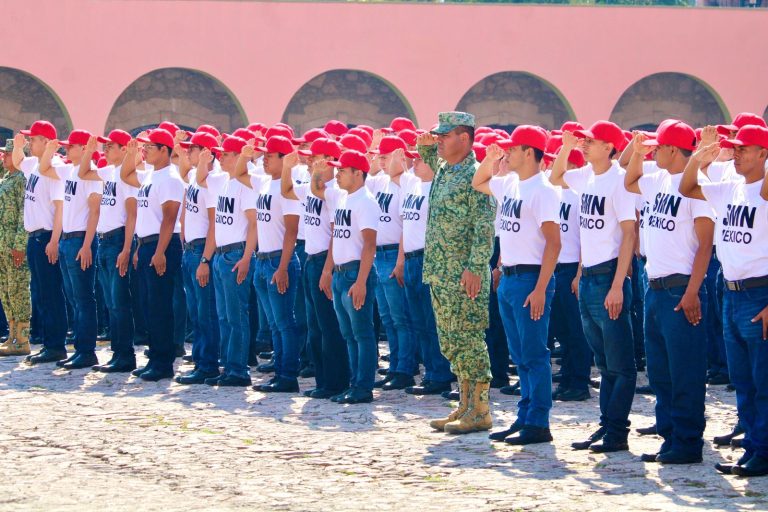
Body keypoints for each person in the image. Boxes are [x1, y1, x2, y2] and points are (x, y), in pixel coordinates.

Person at [680, 124, 768, 477]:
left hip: (759, 293)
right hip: (731, 294)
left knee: (763, 382)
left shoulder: (763, 188)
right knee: (743, 381)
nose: (736, 154)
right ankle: (753, 448)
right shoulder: (729, 186)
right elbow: (687, 187)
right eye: (735, 148)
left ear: (763, 153)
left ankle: (764, 451)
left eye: (744, 148)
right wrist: (700, 156)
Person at [624, 121, 715, 464]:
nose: (654, 152)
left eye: (658, 147)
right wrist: (636, 152)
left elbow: (705, 246)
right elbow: (629, 181)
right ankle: (670, 436)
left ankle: (688, 442)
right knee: (660, 371)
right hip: (655, 286)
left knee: (685, 371)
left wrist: (692, 292)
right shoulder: (658, 179)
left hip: (681, 288)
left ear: (674, 150)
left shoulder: (696, 187)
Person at [550, 121, 637, 453]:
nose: (585, 146)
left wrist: (618, 285)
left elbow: (629, 233)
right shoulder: (586, 176)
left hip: (609, 278)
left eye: (593, 142)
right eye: (585, 141)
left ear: (611, 148)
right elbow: (556, 177)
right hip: (588, 278)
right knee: (602, 362)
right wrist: (565, 146)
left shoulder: (620, 182)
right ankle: (606, 425)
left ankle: (617, 431)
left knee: (620, 365)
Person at [474, 126, 561, 445]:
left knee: (535, 353)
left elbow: (554, 243)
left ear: (530, 153)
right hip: (509, 276)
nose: (507, 152)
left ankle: (538, 421)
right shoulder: (510, 182)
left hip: (530, 278)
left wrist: (540, 288)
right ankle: (525, 416)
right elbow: (478, 181)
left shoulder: (544, 190)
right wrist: (489, 157)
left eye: (514, 148)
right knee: (520, 354)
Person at [417, 112, 496, 435]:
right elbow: (429, 158)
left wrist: (476, 268)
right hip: (439, 271)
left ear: (464, 138)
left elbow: (484, 225)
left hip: (464, 273)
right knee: (450, 340)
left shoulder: (477, 175)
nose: (439, 141)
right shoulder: (447, 169)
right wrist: (425, 146)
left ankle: (480, 409)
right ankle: (464, 404)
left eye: (445, 136)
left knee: (469, 338)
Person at [282, 137, 351, 398]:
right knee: (314, 325)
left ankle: (335, 381)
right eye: (309, 158)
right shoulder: (312, 187)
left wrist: (327, 270)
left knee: (329, 325)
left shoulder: (334, 190)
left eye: (315, 158)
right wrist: (288, 167)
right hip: (311, 258)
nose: (309, 161)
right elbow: (287, 190)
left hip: (325, 260)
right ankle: (323, 381)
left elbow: (336, 233)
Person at [310, 150, 379, 404]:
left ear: (357, 173)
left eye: (342, 171)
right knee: (348, 334)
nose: (336, 175)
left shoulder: (366, 202)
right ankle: (353, 383)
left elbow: (369, 245)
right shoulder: (342, 197)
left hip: (354, 273)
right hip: (339, 272)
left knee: (362, 333)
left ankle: (363, 386)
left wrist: (361, 282)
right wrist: (327, 270)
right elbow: (317, 189)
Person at [388, 148, 455, 395]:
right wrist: (401, 261)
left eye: (420, 158)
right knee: (419, 321)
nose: (414, 162)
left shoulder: (439, 188)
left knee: (432, 319)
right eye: (413, 158)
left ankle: (441, 373)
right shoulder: (411, 183)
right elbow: (407, 225)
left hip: (431, 258)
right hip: (412, 258)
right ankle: (431, 372)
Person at [239, 135, 303, 393]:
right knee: (275, 323)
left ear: (283, 159)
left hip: (279, 259)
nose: (265, 159)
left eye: (270, 155)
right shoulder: (264, 182)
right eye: (264, 155)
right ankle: (279, 372)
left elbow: (292, 231)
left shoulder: (289, 188)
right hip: (263, 259)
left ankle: (288, 375)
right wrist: (245, 155)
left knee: (285, 322)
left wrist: (283, 267)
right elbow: (239, 173)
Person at [121, 129, 184, 381]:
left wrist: (159, 252)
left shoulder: (169, 178)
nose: (145, 151)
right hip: (147, 244)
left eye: (150, 147)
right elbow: (145, 213)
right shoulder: (150, 175)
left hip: (163, 245)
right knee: (149, 305)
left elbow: (169, 218)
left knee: (160, 306)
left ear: (165, 151)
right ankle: (155, 357)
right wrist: (139, 248)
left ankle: (163, 363)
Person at [196, 136, 258, 386]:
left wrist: (246, 257)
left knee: (236, 315)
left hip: (236, 253)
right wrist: (203, 160)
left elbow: (253, 224)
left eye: (226, 154)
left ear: (239, 157)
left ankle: (238, 370)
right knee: (223, 316)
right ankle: (229, 365)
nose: (220, 158)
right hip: (222, 254)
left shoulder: (246, 183)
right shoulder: (222, 180)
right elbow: (200, 178)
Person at [38, 130, 103, 369]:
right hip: (66, 239)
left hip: (79, 240)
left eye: (72, 146)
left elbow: (95, 212)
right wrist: (49, 149)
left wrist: (87, 245)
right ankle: (79, 348)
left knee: (84, 298)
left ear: (85, 148)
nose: (66, 150)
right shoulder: (68, 170)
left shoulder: (91, 174)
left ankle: (87, 351)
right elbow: (44, 168)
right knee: (73, 298)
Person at [77, 130, 138, 372]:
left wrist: (126, 248)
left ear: (124, 149)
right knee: (111, 304)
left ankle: (125, 356)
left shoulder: (128, 175)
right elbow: (83, 173)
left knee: (120, 303)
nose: (106, 150)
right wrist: (90, 150)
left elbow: (132, 215)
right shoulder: (107, 172)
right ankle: (116, 354)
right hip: (103, 241)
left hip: (117, 240)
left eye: (111, 146)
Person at [12, 122, 68, 365]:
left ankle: (55, 345)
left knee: (51, 293)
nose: (30, 143)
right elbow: (17, 162)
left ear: (46, 142)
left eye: (33, 140)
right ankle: (48, 342)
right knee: (41, 294)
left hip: (46, 236)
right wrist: (18, 146)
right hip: (33, 236)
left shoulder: (53, 168)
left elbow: (60, 208)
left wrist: (55, 240)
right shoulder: (34, 164)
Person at [368, 135, 418, 390]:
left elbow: (404, 227)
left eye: (386, 157)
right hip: (378, 254)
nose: (382, 162)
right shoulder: (380, 183)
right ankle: (396, 365)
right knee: (388, 318)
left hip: (392, 255)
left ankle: (404, 368)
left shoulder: (405, 185)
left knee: (401, 317)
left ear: (399, 154)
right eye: (381, 157)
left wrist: (400, 262)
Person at [174, 131, 222, 383]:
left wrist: (205, 259)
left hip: (202, 250)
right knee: (196, 312)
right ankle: (201, 359)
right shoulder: (195, 176)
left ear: (205, 153)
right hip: (189, 249)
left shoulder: (211, 181)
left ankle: (208, 364)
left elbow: (215, 223)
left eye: (192, 149)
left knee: (206, 312)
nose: (187, 153)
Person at [0, 138, 32, 356]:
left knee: (19, 290)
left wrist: (20, 244)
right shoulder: (6, 178)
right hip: (2, 243)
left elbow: (24, 212)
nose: (4, 157)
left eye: (8, 153)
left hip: (14, 243)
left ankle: (22, 339)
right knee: (6, 291)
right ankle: (12, 335)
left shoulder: (22, 178)